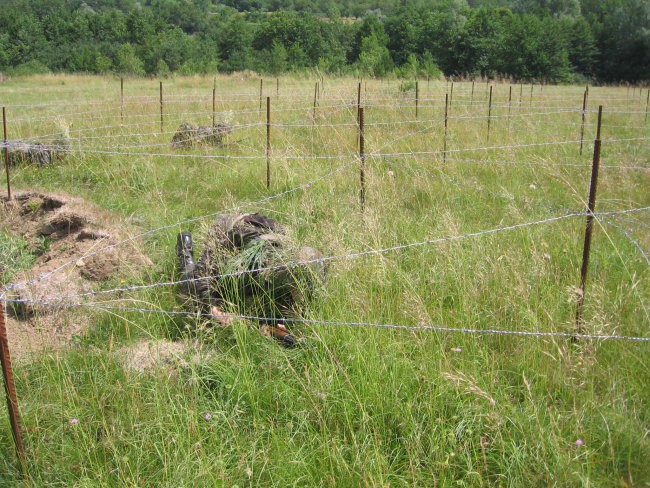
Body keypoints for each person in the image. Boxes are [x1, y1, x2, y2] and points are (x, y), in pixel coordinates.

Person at [176, 213, 325, 346]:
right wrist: (213, 307)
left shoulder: (299, 267)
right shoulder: (254, 263)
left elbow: (285, 300)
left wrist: (278, 323)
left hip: (260, 235)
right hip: (227, 230)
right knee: (191, 290)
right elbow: (204, 275)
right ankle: (185, 252)